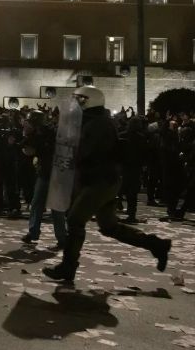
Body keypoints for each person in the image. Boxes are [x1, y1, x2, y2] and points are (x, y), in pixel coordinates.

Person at [43, 86, 172, 282]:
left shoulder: (98, 124)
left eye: (80, 99)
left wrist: (68, 152)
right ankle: (157, 245)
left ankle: (68, 267)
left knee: (76, 220)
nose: (77, 103)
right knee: (109, 227)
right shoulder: (94, 121)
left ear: (90, 100)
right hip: (101, 180)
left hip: (100, 182)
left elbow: (86, 152)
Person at [20, 110, 66, 248]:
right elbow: (27, 148)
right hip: (46, 173)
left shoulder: (47, 134)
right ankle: (35, 232)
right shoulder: (41, 133)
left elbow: (29, 149)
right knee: (37, 204)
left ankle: (61, 237)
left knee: (54, 208)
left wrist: (27, 136)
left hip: (52, 173)